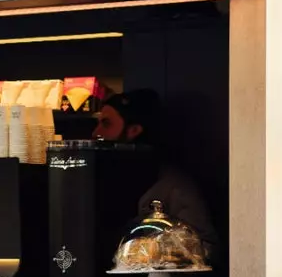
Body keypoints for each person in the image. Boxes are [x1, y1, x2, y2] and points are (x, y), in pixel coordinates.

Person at [92, 89, 216, 249]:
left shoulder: (173, 186)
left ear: (134, 130)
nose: (96, 133)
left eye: (106, 124)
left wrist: (159, 251)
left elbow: (206, 248)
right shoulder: (94, 179)